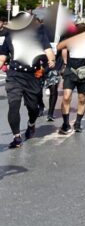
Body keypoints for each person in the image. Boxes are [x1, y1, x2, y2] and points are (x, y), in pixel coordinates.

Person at [0, 12, 55, 148]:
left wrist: (51, 59)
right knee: (14, 104)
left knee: (33, 108)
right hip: (15, 75)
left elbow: (48, 50)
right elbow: (2, 55)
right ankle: (17, 137)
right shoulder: (10, 35)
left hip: (32, 76)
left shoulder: (39, 34)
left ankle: (31, 124)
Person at [56, 21, 85, 134]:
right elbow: (60, 47)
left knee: (82, 98)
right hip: (70, 71)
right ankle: (65, 123)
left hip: (84, 73)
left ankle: (78, 122)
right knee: (66, 97)